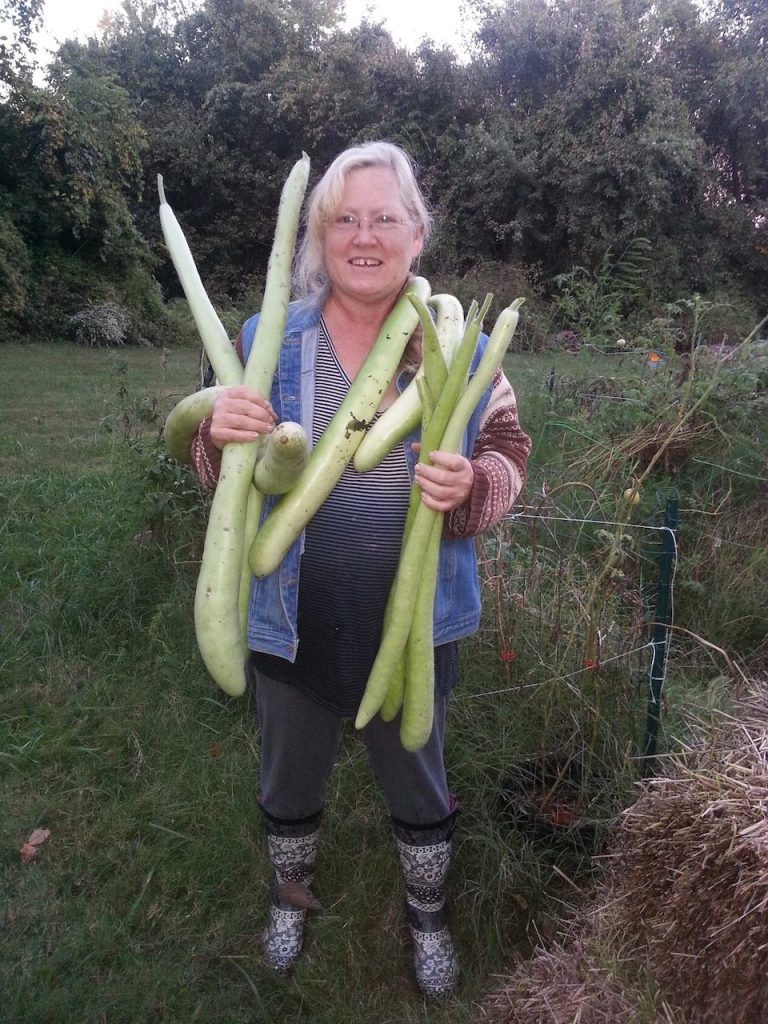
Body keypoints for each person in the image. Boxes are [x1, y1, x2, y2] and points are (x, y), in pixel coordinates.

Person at [190, 141, 531, 996]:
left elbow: (510, 452)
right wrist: (211, 435)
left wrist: (475, 488)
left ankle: (426, 915)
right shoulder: (265, 337)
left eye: (386, 217)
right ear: (318, 237)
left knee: (417, 772)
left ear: (417, 235)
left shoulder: (463, 340)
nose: (366, 235)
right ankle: (290, 894)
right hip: (287, 610)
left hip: (414, 620)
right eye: (345, 218)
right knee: (288, 772)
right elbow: (213, 467)